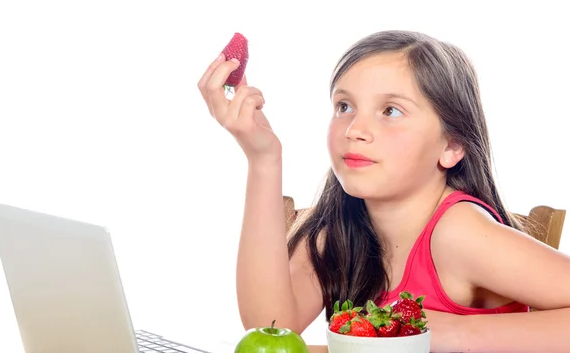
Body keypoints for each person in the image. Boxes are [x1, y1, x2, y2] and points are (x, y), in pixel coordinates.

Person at [197, 30, 570, 352]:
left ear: (452, 146)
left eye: (391, 111)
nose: (354, 129)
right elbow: (271, 327)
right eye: (344, 106)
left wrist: (452, 333)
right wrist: (264, 160)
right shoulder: (339, 229)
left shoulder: (460, 234)